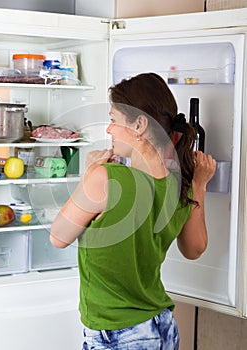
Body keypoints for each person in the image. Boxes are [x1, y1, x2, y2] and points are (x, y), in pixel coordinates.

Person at [50, 72, 216, 350]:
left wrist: (89, 173)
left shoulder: (106, 178)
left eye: (114, 120)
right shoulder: (183, 183)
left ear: (139, 124)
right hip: (162, 327)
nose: (108, 130)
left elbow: (58, 236)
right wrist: (199, 186)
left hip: (119, 334)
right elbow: (194, 249)